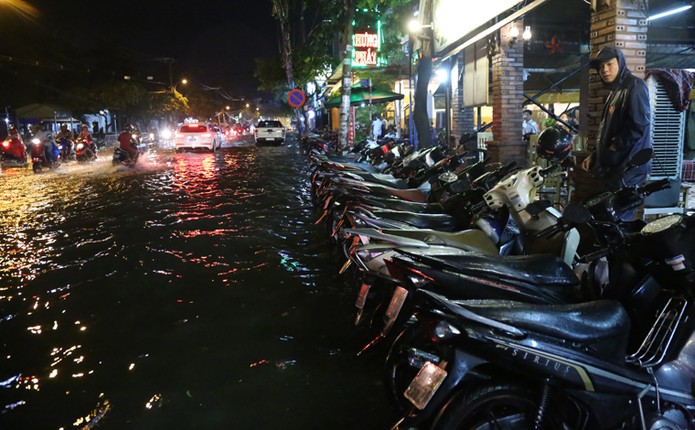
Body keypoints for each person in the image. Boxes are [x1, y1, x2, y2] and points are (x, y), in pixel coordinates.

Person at [581, 46, 651, 195]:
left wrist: (614, 147)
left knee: (619, 213)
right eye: (601, 66)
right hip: (616, 166)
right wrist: (595, 155)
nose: (604, 70)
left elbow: (639, 125)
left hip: (629, 167)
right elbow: (606, 130)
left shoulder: (635, 86)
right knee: (609, 213)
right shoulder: (615, 92)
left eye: (609, 64)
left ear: (620, 63)